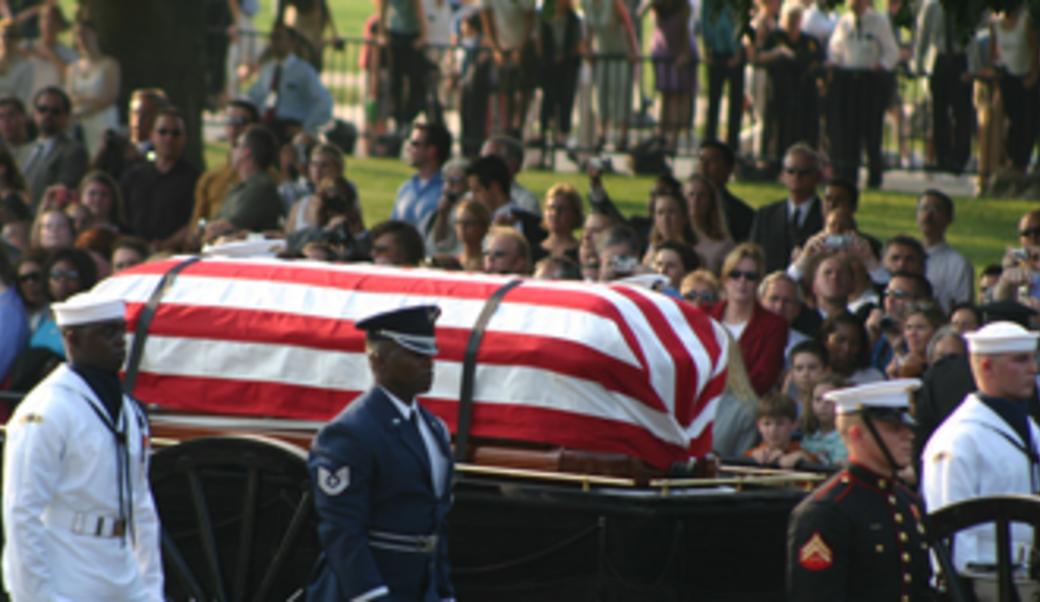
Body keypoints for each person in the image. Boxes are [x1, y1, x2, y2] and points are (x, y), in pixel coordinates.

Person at [2, 292, 162, 600]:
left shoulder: (128, 411)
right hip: (67, 571)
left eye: (121, 329)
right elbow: (22, 510)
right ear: (72, 340)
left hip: (122, 572)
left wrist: (151, 586)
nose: (120, 341)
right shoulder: (48, 409)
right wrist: (35, 595)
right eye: (107, 332)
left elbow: (141, 506)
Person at [306, 305, 454, 601]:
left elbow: (435, 523)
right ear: (379, 360)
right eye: (416, 355)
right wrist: (371, 596)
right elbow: (342, 531)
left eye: (430, 355)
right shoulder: (350, 433)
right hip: (369, 589)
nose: (429, 364)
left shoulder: (433, 428)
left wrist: (443, 592)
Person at [787, 378, 933, 600]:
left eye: (907, 426)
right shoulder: (826, 512)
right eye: (894, 428)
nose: (908, 435)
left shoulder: (908, 502)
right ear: (857, 434)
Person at [922, 321, 1040, 573]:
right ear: (986, 366)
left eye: (1032, 359)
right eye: (1020, 360)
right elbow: (952, 537)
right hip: (989, 584)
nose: (1033, 369)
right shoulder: (959, 439)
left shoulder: (1030, 428)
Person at [826, 0, 898, 188]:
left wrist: (880, 66)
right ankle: (849, 176)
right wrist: (835, 61)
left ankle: (874, 177)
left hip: (870, 81)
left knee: (872, 131)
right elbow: (835, 47)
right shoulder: (845, 22)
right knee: (849, 132)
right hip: (848, 80)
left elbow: (892, 52)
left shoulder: (879, 22)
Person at [710, 243, 788, 396]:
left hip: (748, 407)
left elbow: (764, 378)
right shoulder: (706, 318)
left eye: (750, 276)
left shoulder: (774, 326)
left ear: (759, 282)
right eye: (735, 274)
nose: (742, 281)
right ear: (724, 279)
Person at [120, 108, 200, 250]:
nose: (169, 138)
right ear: (152, 136)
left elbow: (195, 221)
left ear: (184, 138)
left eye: (176, 133)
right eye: (162, 132)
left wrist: (164, 245)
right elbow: (121, 217)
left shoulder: (195, 179)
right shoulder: (133, 176)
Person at [913, 0, 972, 175]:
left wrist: (973, 67)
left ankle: (960, 158)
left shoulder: (963, 6)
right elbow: (923, 35)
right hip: (940, 59)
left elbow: (972, 35)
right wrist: (918, 63)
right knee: (939, 111)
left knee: (962, 112)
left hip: (961, 58)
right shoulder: (932, 6)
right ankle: (942, 157)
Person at [247, 22, 333, 139]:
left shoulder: (303, 71)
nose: (274, 43)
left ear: (291, 42)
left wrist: (306, 126)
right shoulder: (268, 69)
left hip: (291, 127)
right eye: (272, 38)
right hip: (268, 124)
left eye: (279, 38)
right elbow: (255, 95)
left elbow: (324, 100)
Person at [749, 143, 824, 274]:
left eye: (804, 172)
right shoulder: (765, 215)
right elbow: (753, 257)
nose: (797, 177)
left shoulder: (827, 216)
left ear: (817, 176)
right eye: (791, 171)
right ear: (782, 175)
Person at [22, 86, 88, 207]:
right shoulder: (24, 150)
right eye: (42, 109)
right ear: (34, 113)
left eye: (55, 111)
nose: (48, 115)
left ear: (67, 117)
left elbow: (63, 191)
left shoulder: (73, 151)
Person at [66, 19, 120, 156]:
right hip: (80, 123)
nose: (82, 38)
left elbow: (110, 97)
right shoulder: (72, 69)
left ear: (94, 35)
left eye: (85, 33)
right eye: (78, 34)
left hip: (103, 121)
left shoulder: (109, 64)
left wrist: (86, 103)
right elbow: (70, 97)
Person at [916, 189, 972, 313]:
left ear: (949, 219)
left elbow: (962, 306)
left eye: (935, 210)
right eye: (923, 208)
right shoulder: (903, 256)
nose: (928, 216)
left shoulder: (958, 263)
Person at [700, 0, 745, 153]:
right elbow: (705, 21)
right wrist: (707, 48)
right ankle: (709, 142)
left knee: (735, 102)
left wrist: (738, 51)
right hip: (716, 52)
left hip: (734, 52)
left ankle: (732, 144)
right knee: (713, 100)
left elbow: (742, 21)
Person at [391, 123, 451, 231]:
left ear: (431, 151)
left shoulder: (447, 189)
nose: (408, 148)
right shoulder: (405, 188)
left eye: (414, 144)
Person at [695, 140, 754, 243]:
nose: (703, 166)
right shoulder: (680, 205)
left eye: (712, 161)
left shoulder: (743, 215)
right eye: (701, 159)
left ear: (728, 169)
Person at [745, 393, 818, 468]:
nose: (773, 430)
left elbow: (821, 473)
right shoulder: (749, 455)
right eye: (767, 424)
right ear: (759, 426)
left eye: (780, 423)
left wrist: (803, 458)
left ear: (794, 424)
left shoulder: (803, 455)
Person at [683, 174, 734, 274]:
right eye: (691, 195)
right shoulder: (671, 235)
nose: (695, 200)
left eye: (701, 195)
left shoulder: (724, 244)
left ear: (711, 201)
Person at [799, 374, 849, 466]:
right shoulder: (809, 437)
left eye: (829, 400)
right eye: (818, 400)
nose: (823, 406)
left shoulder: (846, 437)